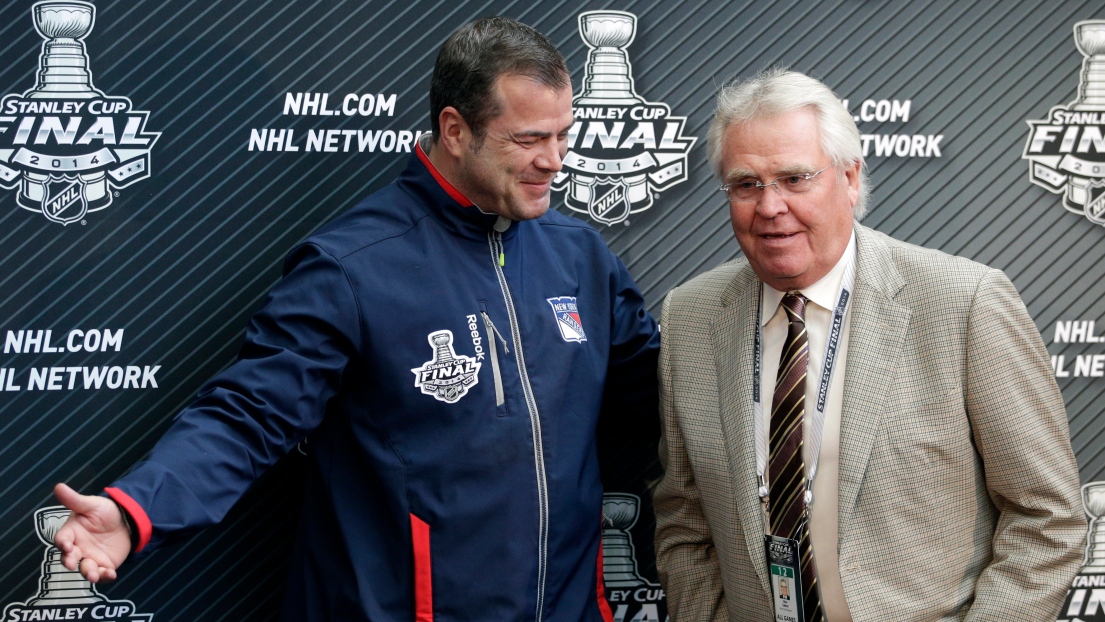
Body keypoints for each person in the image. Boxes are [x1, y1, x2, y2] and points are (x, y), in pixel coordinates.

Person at [52, 16, 659, 621]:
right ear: (454, 129)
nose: (554, 161)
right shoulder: (351, 266)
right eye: (528, 140)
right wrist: (138, 510)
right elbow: (249, 414)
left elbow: (665, 397)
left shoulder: (579, 258)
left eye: (562, 134)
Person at [652, 68, 1085, 622]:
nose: (769, 206)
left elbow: (1047, 518)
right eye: (746, 184)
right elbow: (685, 522)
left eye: (794, 178)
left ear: (851, 180)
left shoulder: (964, 303)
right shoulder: (689, 316)